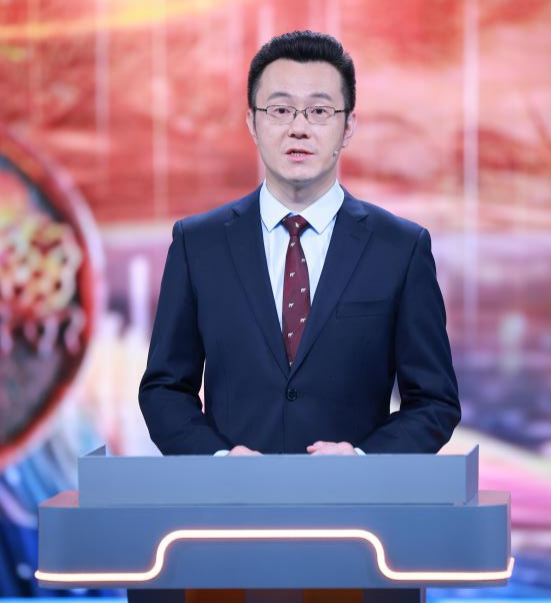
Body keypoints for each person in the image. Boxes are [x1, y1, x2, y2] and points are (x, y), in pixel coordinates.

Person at [139, 30, 460, 457]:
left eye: (319, 111)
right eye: (280, 110)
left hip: (353, 497)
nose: (299, 128)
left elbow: (434, 402)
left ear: (348, 126)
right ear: (252, 123)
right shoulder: (197, 245)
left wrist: (363, 461)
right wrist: (218, 461)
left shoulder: (401, 249)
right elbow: (164, 389)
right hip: (231, 496)